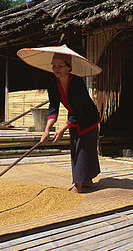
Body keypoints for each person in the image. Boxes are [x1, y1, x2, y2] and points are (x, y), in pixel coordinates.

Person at [40, 52, 101, 193]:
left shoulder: (77, 82)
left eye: (61, 66)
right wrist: (47, 129)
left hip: (88, 116)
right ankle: (86, 180)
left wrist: (62, 129)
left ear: (69, 67)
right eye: (54, 65)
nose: (56, 69)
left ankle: (79, 184)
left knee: (84, 148)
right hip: (74, 117)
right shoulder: (52, 84)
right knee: (77, 147)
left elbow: (80, 108)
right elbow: (53, 107)